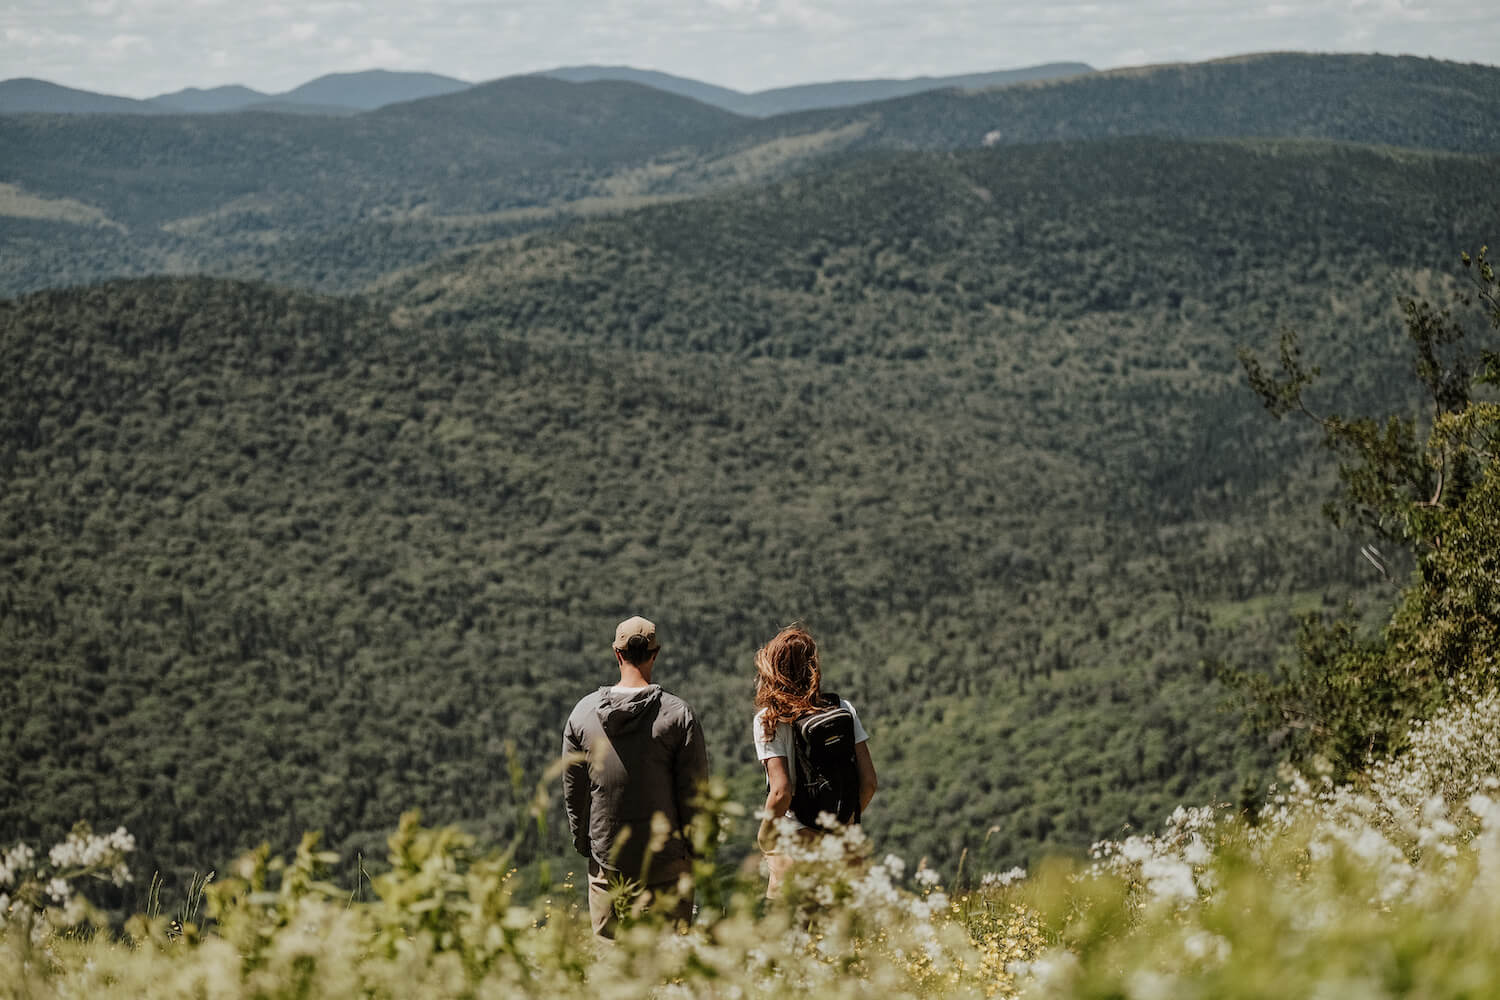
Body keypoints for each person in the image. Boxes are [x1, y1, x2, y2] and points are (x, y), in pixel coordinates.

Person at [563, 615, 709, 939]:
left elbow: (575, 793)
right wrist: (695, 851)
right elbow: (694, 792)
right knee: (669, 959)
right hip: (668, 862)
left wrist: (584, 842)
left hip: (607, 858)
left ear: (617, 654)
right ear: (655, 654)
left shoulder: (582, 715)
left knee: (610, 958)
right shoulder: (677, 714)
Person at [752, 624, 877, 898]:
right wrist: (840, 822)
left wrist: (764, 838)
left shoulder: (768, 719)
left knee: (787, 938)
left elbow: (781, 791)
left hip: (795, 845)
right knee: (840, 937)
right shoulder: (841, 708)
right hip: (843, 843)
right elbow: (869, 783)